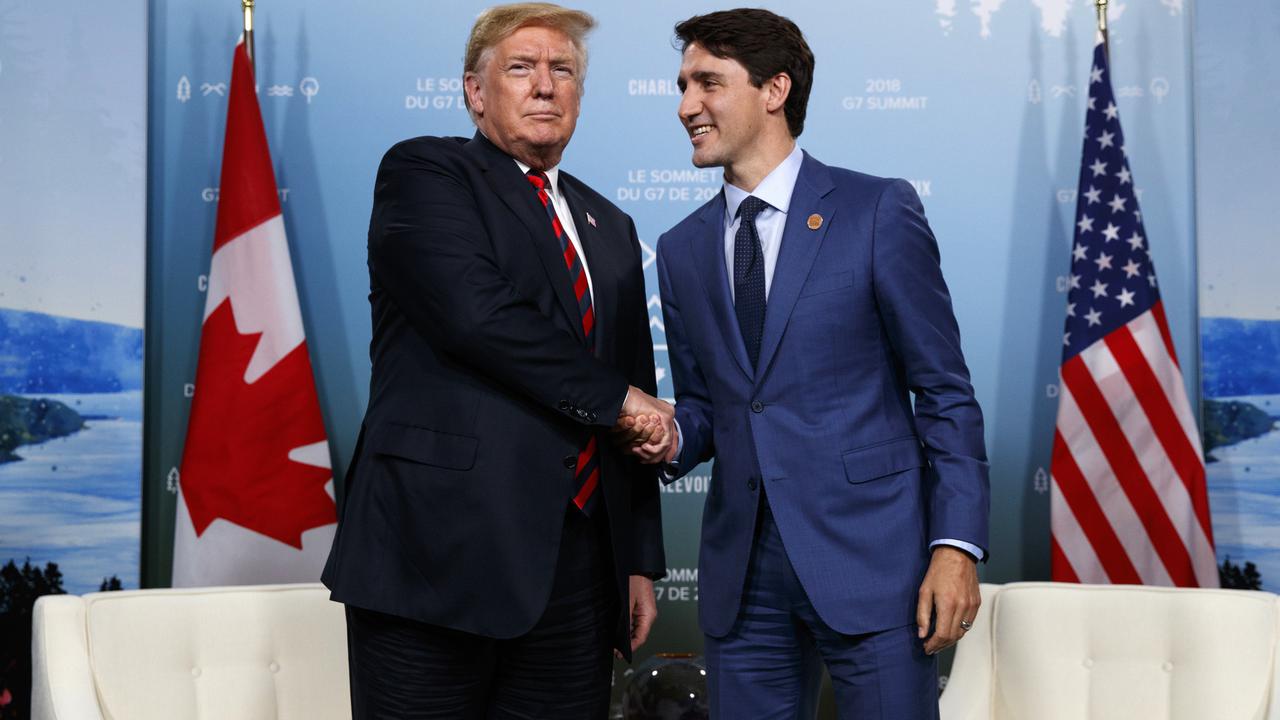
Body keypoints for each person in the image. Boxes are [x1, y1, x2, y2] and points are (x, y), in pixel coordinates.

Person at [321, 4, 675, 717]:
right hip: (434, 555)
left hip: (576, 572)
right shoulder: (426, 171)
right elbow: (476, 316)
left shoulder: (613, 227)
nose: (545, 85)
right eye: (521, 67)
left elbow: (628, 374)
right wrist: (625, 402)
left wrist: (636, 560)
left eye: (563, 70)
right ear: (475, 93)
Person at [652, 9, 990, 718]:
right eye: (683, 85)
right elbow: (709, 409)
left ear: (774, 89)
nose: (686, 106)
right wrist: (665, 432)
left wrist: (955, 545)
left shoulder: (875, 210)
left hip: (875, 565)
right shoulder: (680, 248)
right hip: (742, 581)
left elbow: (944, 391)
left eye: (707, 83)